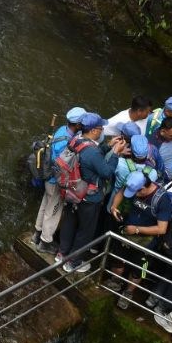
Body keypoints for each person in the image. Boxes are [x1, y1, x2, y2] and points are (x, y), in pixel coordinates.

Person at [57, 113, 128, 272]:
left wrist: (108, 146)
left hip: (71, 191)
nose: (102, 130)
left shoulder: (76, 140)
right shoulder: (93, 152)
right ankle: (73, 262)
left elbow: (90, 158)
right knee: (85, 230)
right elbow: (106, 172)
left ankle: (62, 253)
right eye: (101, 128)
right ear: (95, 130)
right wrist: (115, 153)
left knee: (69, 222)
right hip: (88, 197)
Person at [109, 170, 172, 308]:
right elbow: (121, 192)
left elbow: (162, 229)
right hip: (126, 233)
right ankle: (116, 280)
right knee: (118, 259)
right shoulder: (134, 182)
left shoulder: (162, 199)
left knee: (138, 271)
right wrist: (114, 207)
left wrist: (137, 229)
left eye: (136, 193)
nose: (133, 196)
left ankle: (128, 292)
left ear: (143, 188)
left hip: (146, 242)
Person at [33, 106, 84, 254]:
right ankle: (45, 241)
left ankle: (37, 233)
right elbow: (63, 165)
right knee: (53, 210)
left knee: (45, 204)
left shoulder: (62, 129)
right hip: (56, 181)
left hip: (48, 177)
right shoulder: (67, 142)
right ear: (78, 125)